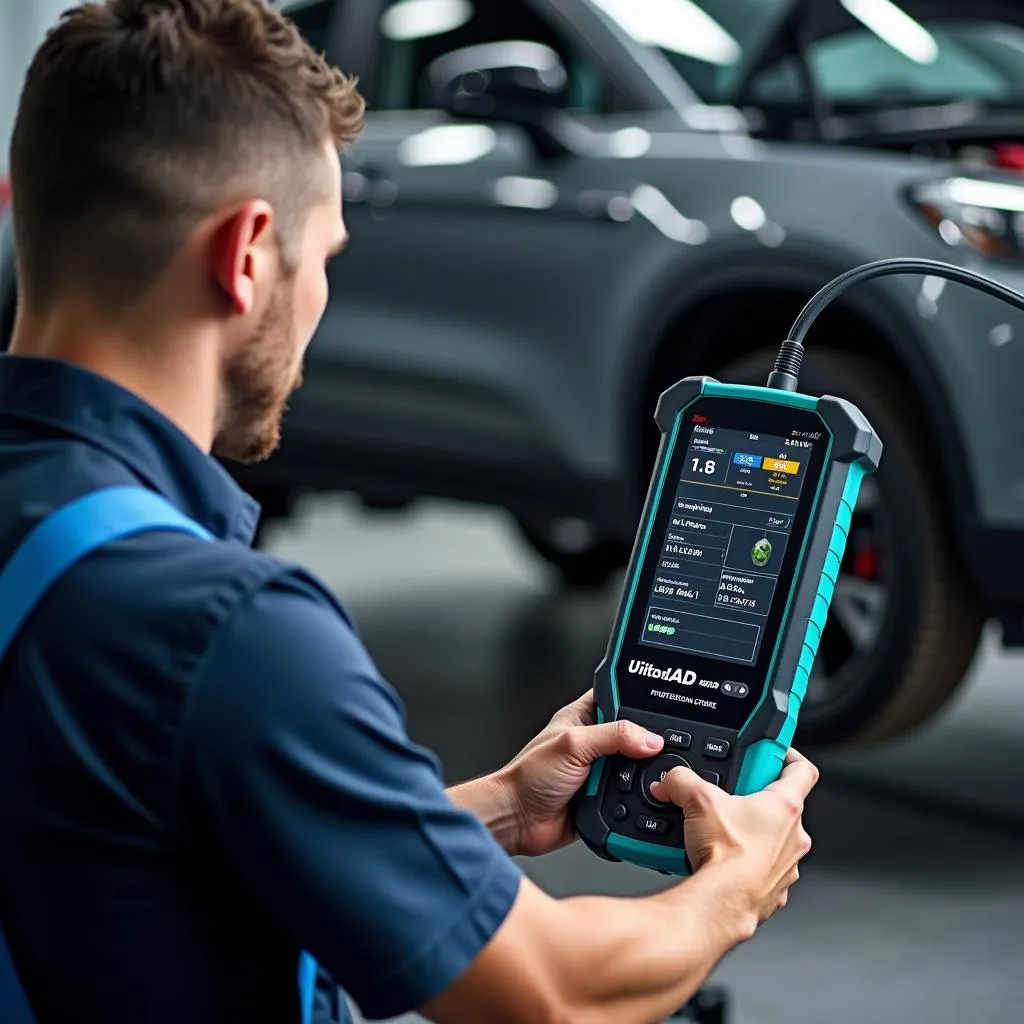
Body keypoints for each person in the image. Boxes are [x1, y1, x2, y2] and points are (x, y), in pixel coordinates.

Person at [0, 1, 818, 1022]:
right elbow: (554, 988)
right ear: (248, 254)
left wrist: (494, 808)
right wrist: (731, 887)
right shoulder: (223, 631)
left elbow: (126, 822)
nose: (320, 304)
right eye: (326, 258)